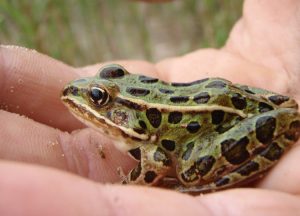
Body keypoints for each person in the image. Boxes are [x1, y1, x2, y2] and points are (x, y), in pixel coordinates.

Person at [1, 0, 300, 215]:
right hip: (226, 100)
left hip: (218, 122)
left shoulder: (149, 143)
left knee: (190, 173)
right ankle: (283, 118)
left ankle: (278, 131)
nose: (86, 97)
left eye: (98, 97)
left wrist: (127, 184)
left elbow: (156, 163)